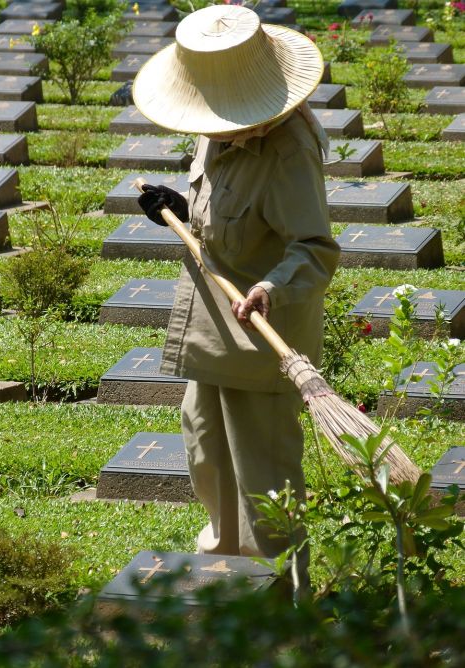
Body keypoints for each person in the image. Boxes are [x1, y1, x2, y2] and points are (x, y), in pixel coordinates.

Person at [133, 5, 340, 588]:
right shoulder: (217, 123)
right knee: (206, 453)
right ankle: (223, 578)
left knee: (264, 476)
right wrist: (177, 206)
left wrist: (272, 286)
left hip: (263, 337)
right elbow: (216, 213)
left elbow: (315, 248)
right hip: (210, 327)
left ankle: (275, 591)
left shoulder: (288, 150)